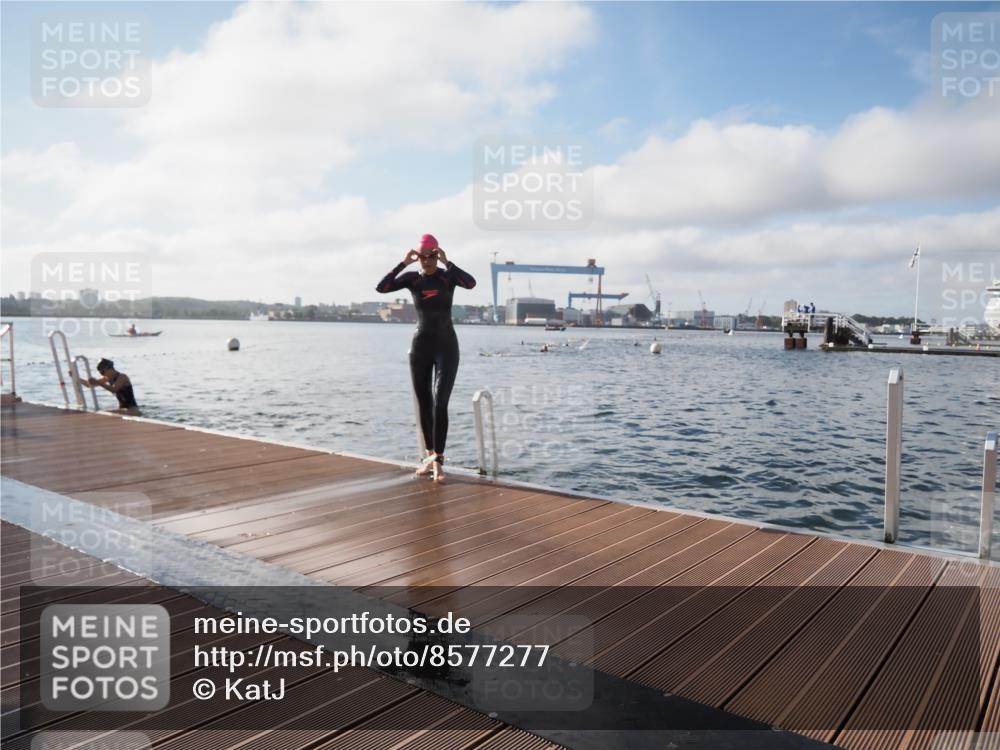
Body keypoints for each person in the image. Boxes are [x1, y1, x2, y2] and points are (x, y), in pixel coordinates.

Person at [375, 234, 476, 483]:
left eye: (432, 256)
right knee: (424, 405)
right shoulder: (413, 278)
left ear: (437, 254)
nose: (428, 261)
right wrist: (403, 264)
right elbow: (382, 287)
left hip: (447, 347)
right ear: (418, 257)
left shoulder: (447, 276)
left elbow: (471, 283)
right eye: (423, 257)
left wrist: (448, 262)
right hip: (421, 347)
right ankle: (429, 458)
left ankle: (438, 462)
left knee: (440, 404)